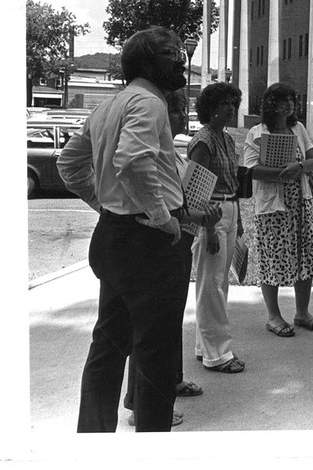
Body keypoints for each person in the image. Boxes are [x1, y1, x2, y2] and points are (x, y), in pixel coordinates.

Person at [57, 26, 191, 432]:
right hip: (149, 244)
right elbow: (132, 161)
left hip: (113, 238)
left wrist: (104, 205)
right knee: (156, 354)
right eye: (171, 53)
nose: (181, 60)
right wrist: (163, 217)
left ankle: (92, 442)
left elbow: (68, 164)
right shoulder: (149, 103)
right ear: (148, 61)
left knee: (108, 347)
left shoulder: (107, 106)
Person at [123, 90, 220, 426]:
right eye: (175, 110)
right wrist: (192, 216)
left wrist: (204, 216)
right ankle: (139, 404)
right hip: (160, 246)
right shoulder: (158, 160)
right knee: (151, 330)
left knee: (169, 323)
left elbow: (182, 208)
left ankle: (171, 381)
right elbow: (163, 208)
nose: (182, 116)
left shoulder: (177, 157)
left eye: (183, 110)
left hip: (179, 244)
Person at [243, 82, 313, 337]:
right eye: (282, 100)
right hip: (273, 206)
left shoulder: (298, 128)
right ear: (270, 104)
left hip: (300, 202)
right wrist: (281, 172)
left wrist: (299, 167)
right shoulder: (257, 132)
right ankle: (274, 317)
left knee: (304, 255)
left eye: (291, 99)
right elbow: (251, 169)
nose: (288, 104)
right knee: (272, 256)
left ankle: (302, 313)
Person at [189, 82, 246, 373]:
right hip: (212, 215)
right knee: (210, 285)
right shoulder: (204, 141)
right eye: (227, 104)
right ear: (211, 109)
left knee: (220, 284)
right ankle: (218, 354)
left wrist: (239, 219)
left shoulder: (227, 139)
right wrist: (208, 228)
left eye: (234, 103)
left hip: (230, 209)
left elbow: (233, 182)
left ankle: (206, 346)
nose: (232, 109)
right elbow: (195, 190)